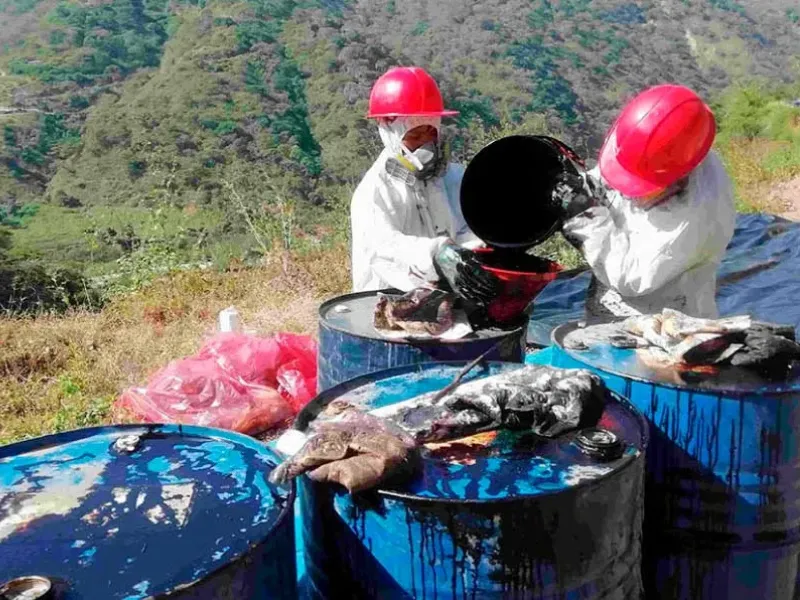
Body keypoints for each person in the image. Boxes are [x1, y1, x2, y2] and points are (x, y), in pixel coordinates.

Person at [554, 84, 736, 321]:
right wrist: (582, 188)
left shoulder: (692, 219)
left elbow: (630, 277)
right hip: (608, 297)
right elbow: (613, 173)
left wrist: (586, 222)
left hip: (662, 321)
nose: (626, 189)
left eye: (639, 184)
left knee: (639, 353)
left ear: (676, 177)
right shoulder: (664, 146)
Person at [350, 66, 499, 308]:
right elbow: (385, 247)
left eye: (431, 134)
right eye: (415, 136)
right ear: (390, 132)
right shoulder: (375, 192)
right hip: (390, 303)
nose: (426, 146)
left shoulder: (453, 177)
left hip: (448, 296)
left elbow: (468, 227)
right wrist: (436, 254)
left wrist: (471, 251)